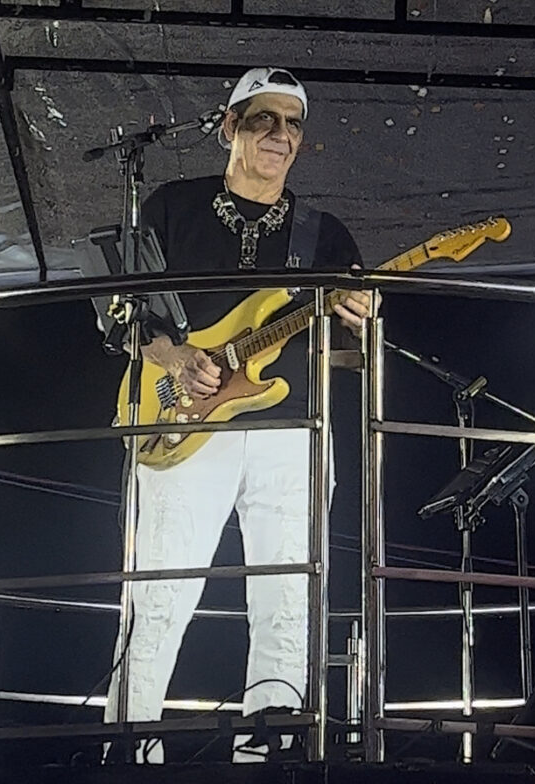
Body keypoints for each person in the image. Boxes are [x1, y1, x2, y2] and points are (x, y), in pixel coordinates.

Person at [103, 67, 374, 763]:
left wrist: (362, 325)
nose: (281, 135)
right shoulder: (171, 206)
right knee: (161, 588)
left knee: (290, 591)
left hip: (293, 429)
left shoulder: (327, 235)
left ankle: (272, 747)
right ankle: (130, 746)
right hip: (184, 421)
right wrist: (170, 356)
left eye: (292, 124)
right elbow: (117, 313)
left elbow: (353, 351)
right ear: (228, 126)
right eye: (264, 120)